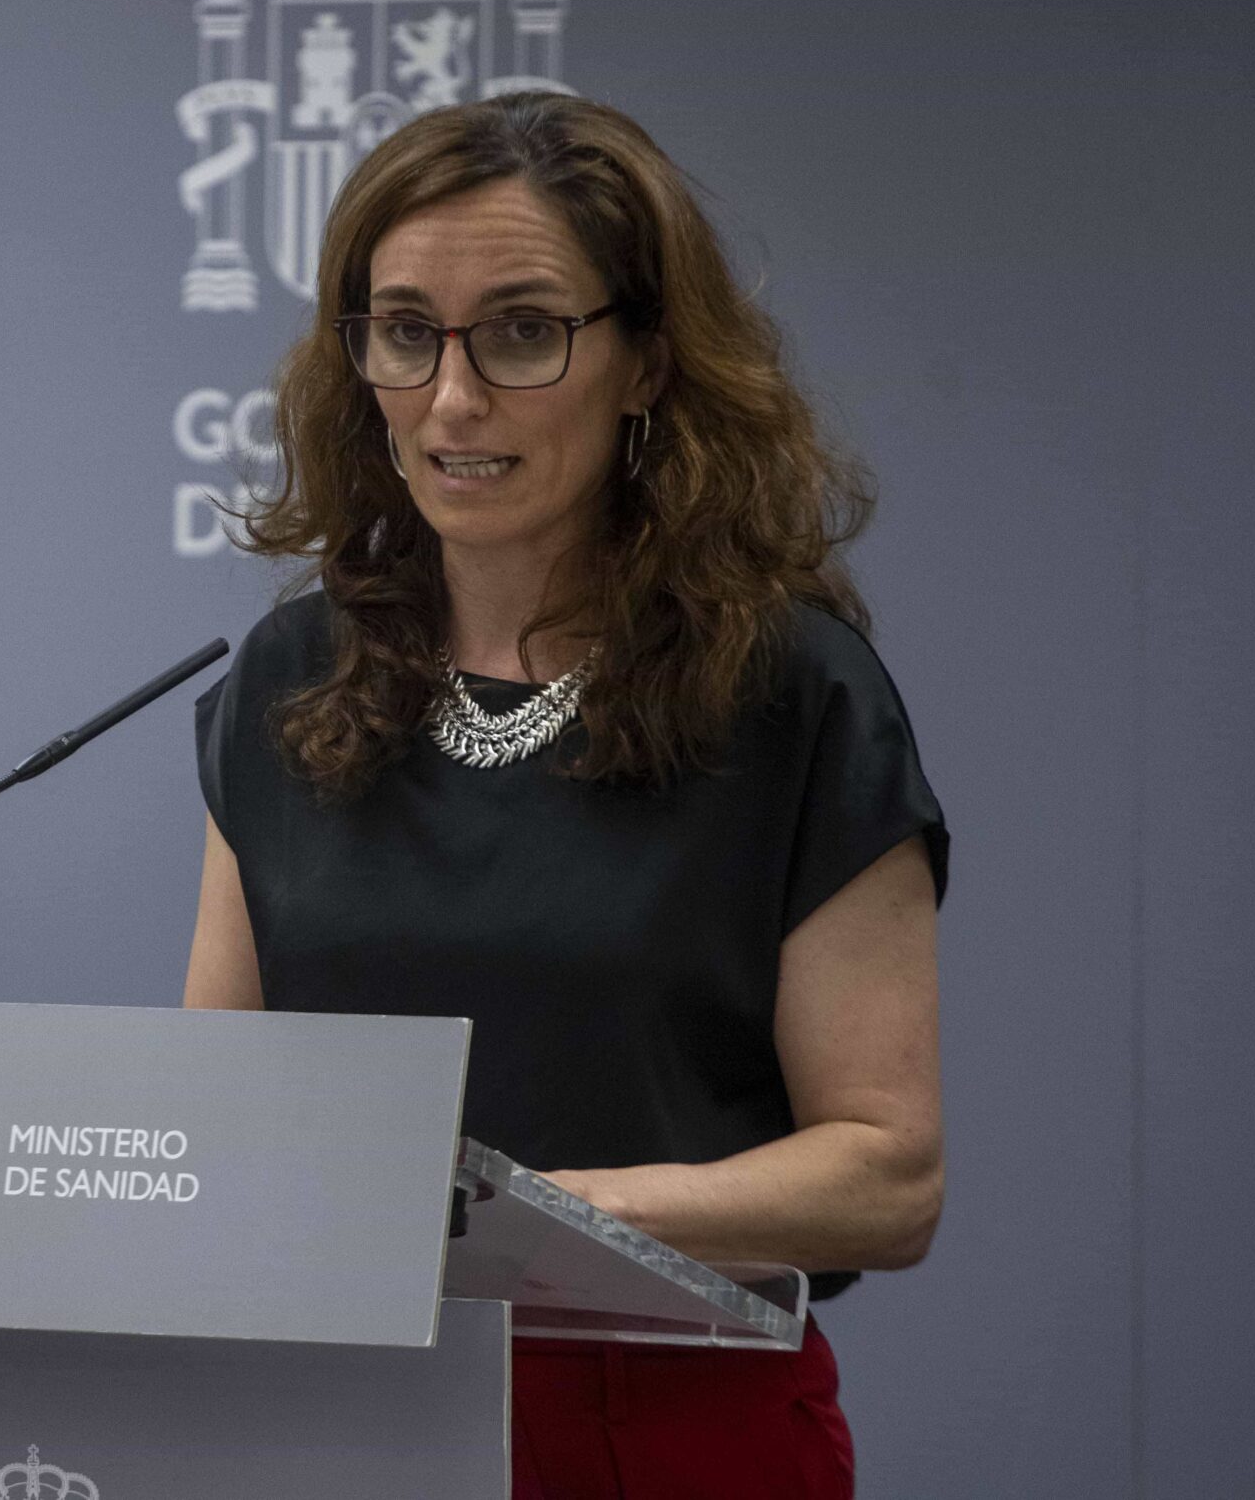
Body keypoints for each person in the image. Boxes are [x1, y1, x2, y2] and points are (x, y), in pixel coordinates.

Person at [183, 91, 946, 1499]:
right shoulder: (296, 674)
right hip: (337, 1428)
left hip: (663, 1426)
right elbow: (211, 1115)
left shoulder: (790, 692)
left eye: (524, 332)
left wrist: (537, 1220)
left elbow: (887, 1181)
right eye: (405, 331)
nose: (453, 398)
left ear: (647, 360)